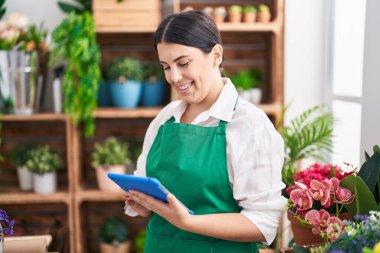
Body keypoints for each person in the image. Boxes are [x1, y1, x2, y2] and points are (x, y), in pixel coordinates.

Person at [124, 10, 287, 253]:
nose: (174, 77)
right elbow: (146, 187)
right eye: (166, 66)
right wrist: (142, 203)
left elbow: (262, 224)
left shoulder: (249, 124)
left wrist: (187, 221)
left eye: (183, 63)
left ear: (216, 56)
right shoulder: (165, 118)